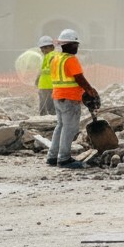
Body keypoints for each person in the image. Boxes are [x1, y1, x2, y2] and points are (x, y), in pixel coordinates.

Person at [46, 28, 100, 169]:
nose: (76, 48)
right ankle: (64, 159)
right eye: (75, 45)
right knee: (69, 128)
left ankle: (52, 156)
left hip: (57, 97)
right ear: (67, 45)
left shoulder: (55, 59)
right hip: (70, 99)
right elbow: (79, 78)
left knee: (60, 126)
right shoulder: (71, 60)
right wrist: (90, 90)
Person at [35, 35, 57, 116]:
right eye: (42, 48)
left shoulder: (53, 56)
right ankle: (42, 121)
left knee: (50, 108)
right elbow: (42, 70)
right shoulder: (45, 57)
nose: (44, 50)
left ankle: (51, 124)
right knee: (43, 108)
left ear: (52, 47)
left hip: (50, 86)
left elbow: (53, 69)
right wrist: (37, 79)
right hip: (43, 87)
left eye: (46, 47)